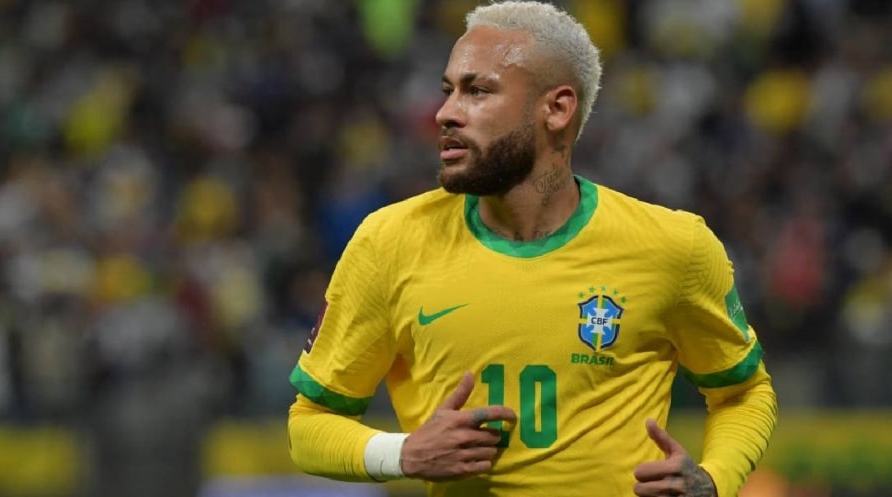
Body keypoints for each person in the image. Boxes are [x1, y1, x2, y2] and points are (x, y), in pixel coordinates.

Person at [287, 1, 778, 496]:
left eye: (478, 91)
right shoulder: (388, 242)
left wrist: (714, 481)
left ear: (557, 109)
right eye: (448, 90)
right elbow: (310, 424)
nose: (445, 113)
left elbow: (744, 392)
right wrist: (403, 453)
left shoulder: (673, 246)